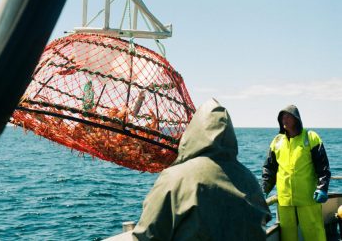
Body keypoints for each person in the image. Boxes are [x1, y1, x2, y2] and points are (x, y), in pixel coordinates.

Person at [132, 98, 271, 241]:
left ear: (193, 131)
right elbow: (263, 219)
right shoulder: (249, 179)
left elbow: (147, 236)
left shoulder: (174, 178)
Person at [261, 105, 331, 241]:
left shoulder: (311, 138)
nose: (284, 119)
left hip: (308, 199)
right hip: (284, 201)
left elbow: (323, 168)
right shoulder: (276, 142)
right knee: (288, 237)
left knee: (314, 234)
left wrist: (322, 188)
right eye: (282, 116)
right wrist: (263, 190)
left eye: (288, 116)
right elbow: (269, 169)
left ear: (296, 119)